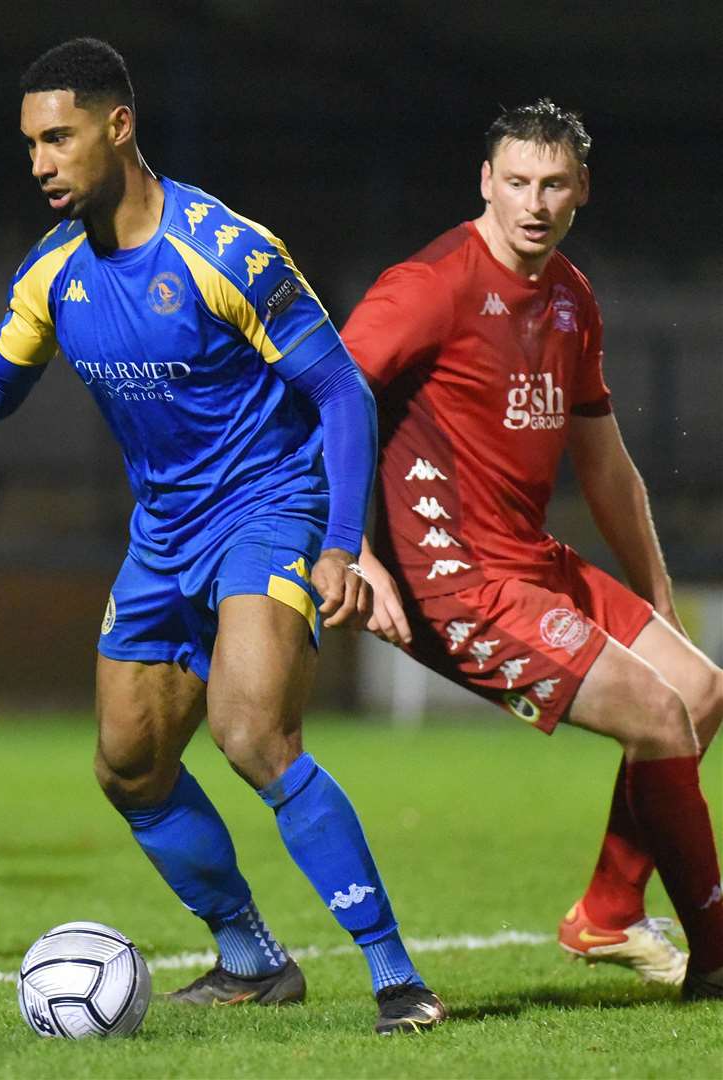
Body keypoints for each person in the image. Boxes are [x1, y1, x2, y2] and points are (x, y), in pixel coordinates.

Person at [0, 38, 446, 1034]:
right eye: (27, 145)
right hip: (162, 536)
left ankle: (396, 976)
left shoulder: (224, 250)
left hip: (264, 509)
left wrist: (336, 540)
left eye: (56, 138)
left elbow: (338, 391)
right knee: (128, 766)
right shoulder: (52, 270)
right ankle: (249, 956)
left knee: (251, 735)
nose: (38, 162)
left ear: (118, 126)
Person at [342, 100, 722, 1002]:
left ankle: (607, 912)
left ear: (580, 187)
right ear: (485, 182)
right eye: (515, 182)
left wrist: (656, 599)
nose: (533, 202)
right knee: (659, 718)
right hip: (456, 580)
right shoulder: (429, 284)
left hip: (530, 559)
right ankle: (715, 957)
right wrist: (347, 549)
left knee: (701, 691)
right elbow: (324, 397)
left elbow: (605, 463)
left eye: (552, 184)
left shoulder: (568, 299)